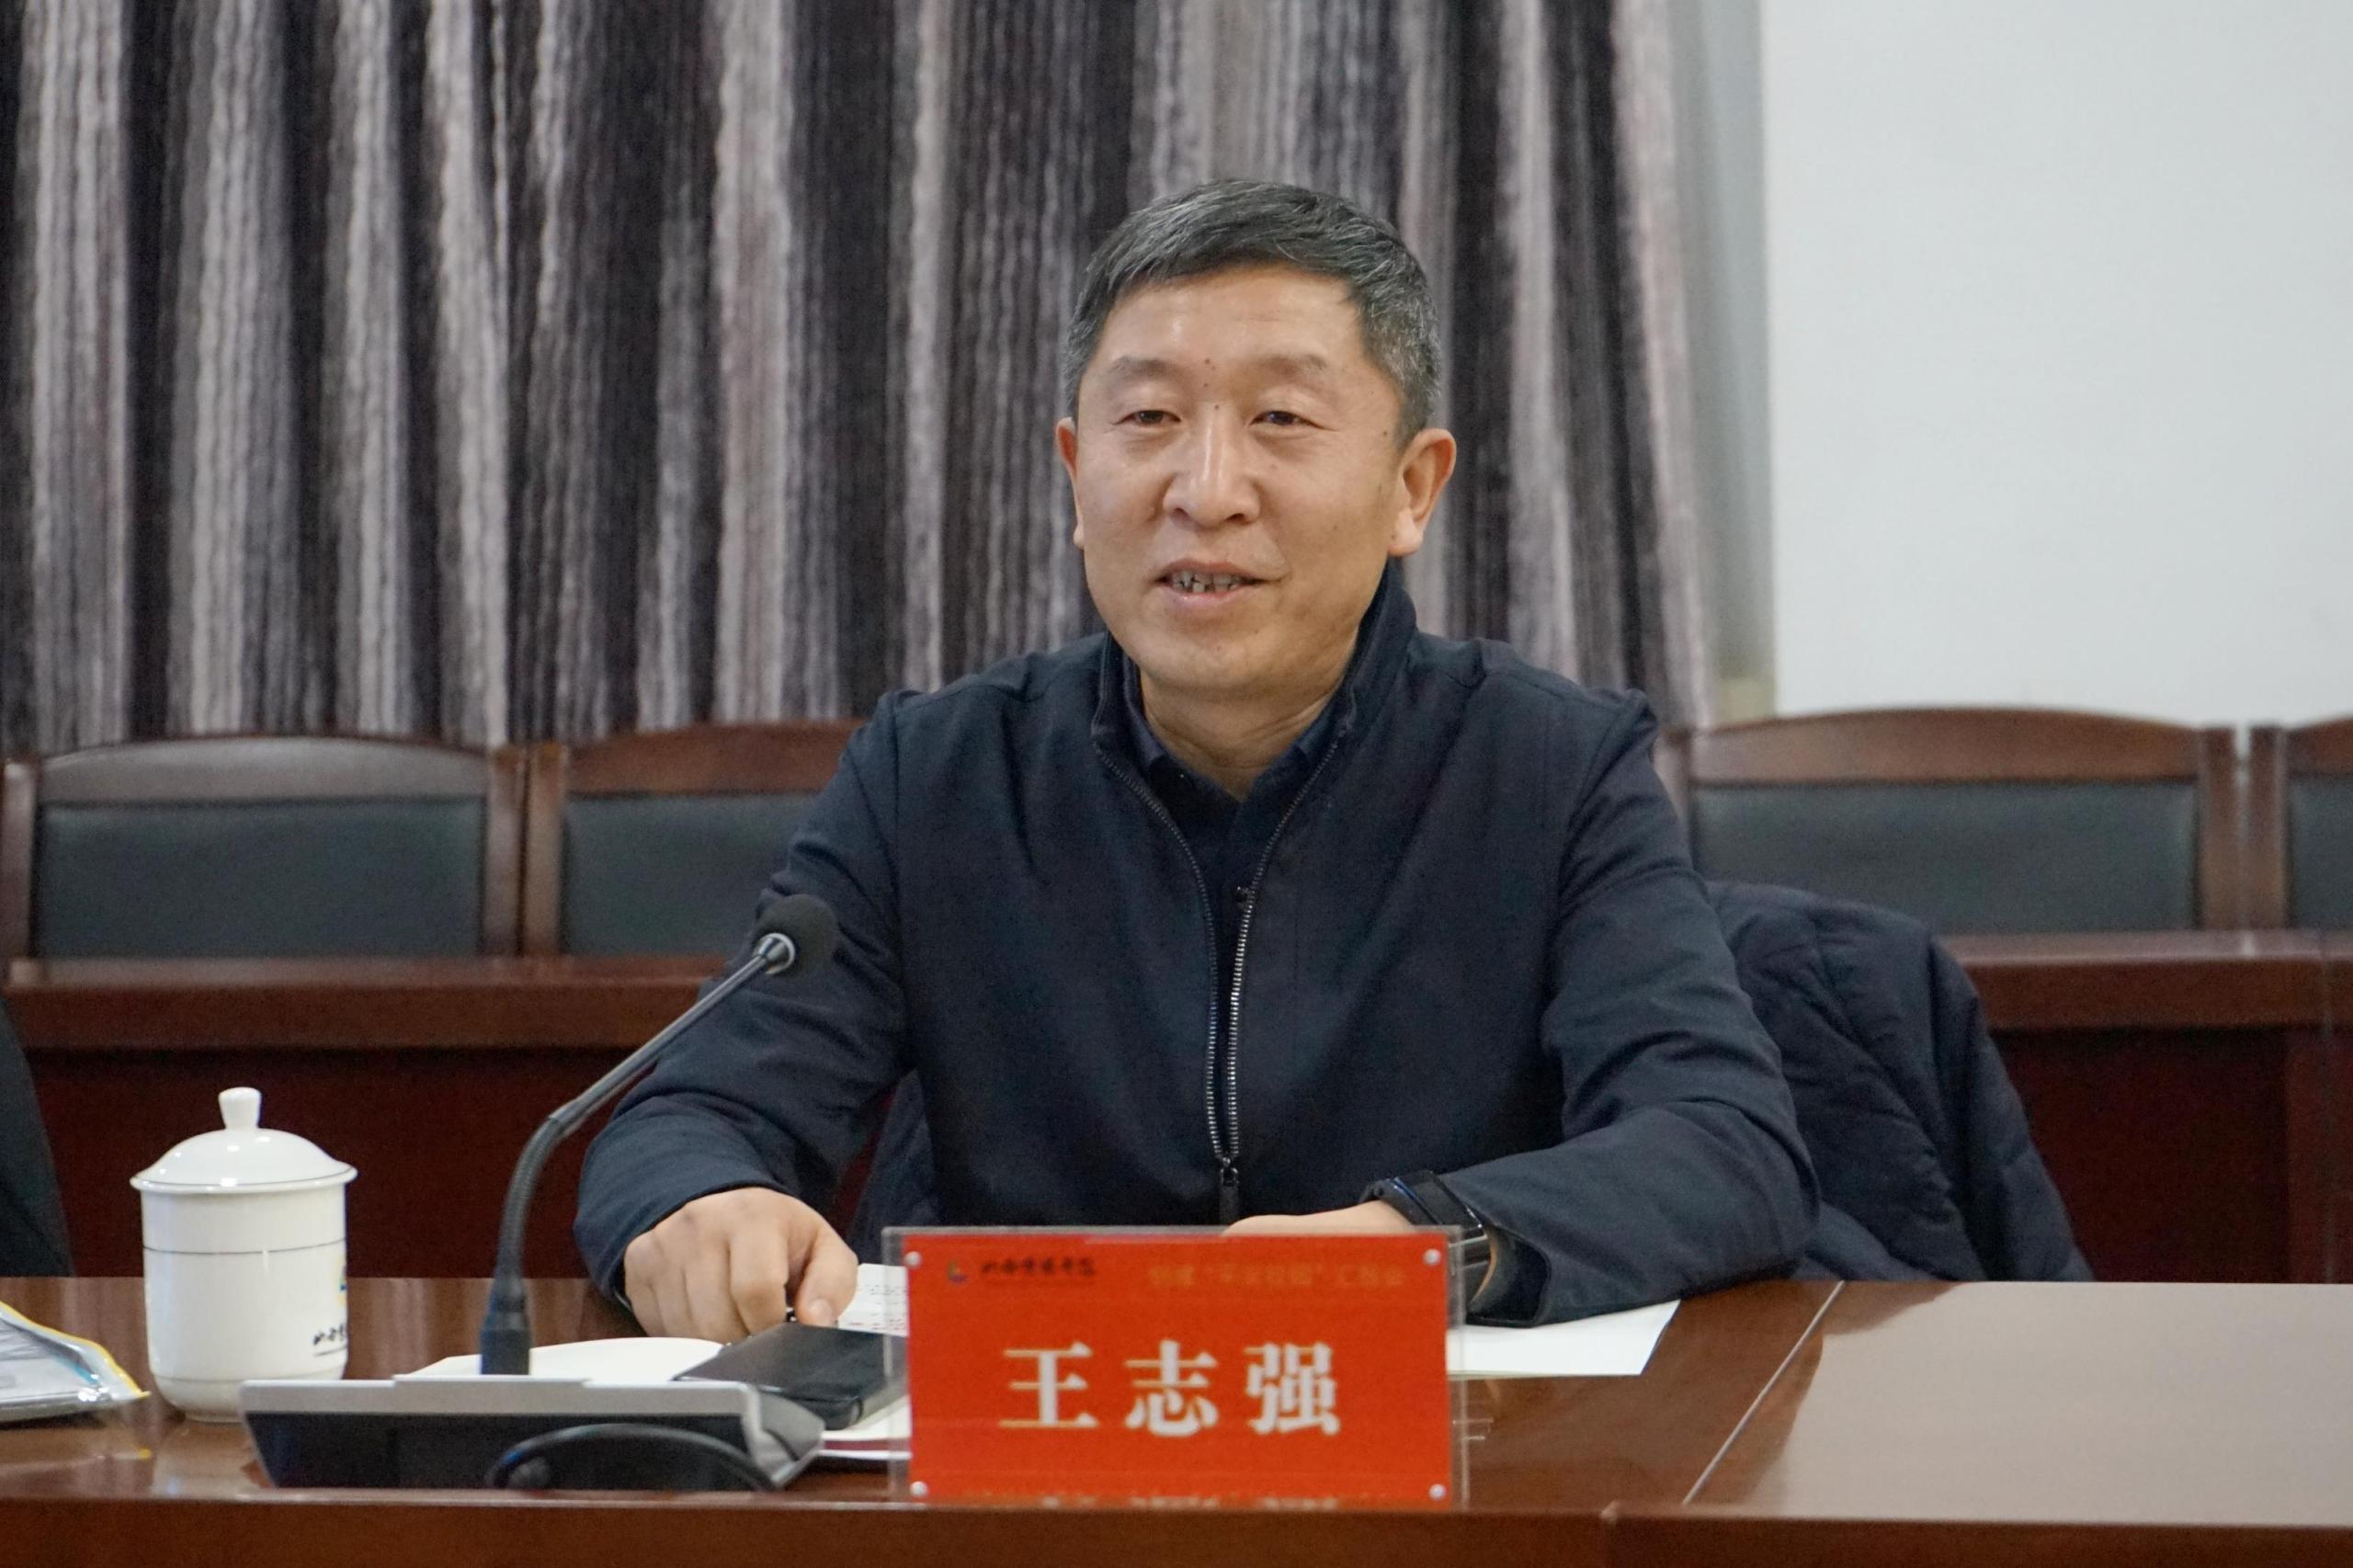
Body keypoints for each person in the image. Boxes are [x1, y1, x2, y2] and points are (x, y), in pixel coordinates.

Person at [576, 179, 1814, 1337]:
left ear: (1411, 488)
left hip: (1451, 1454)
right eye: (1151, 419)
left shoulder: (1549, 768)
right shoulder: (936, 777)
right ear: (1078, 476)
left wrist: (1420, 1243)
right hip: (1031, 1439)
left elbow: (1723, 1145)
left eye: (1281, 420)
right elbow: (691, 1114)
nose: (1207, 490)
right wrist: (700, 1202)